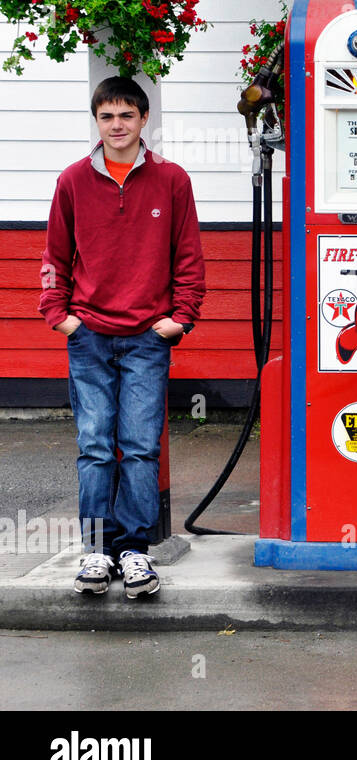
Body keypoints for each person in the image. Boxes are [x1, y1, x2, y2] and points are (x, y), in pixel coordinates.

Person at [39, 76, 206, 599]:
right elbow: (54, 257)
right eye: (107, 116)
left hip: (147, 336)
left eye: (126, 116)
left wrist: (180, 318)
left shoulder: (172, 180)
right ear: (97, 121)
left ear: (143, 120)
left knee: (137, 447)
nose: (117, 125)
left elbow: (189, 257)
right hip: (87, 335)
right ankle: (95, 550)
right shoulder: (72, 181)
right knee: (93, 446)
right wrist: (59, 316)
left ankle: (133, 551)